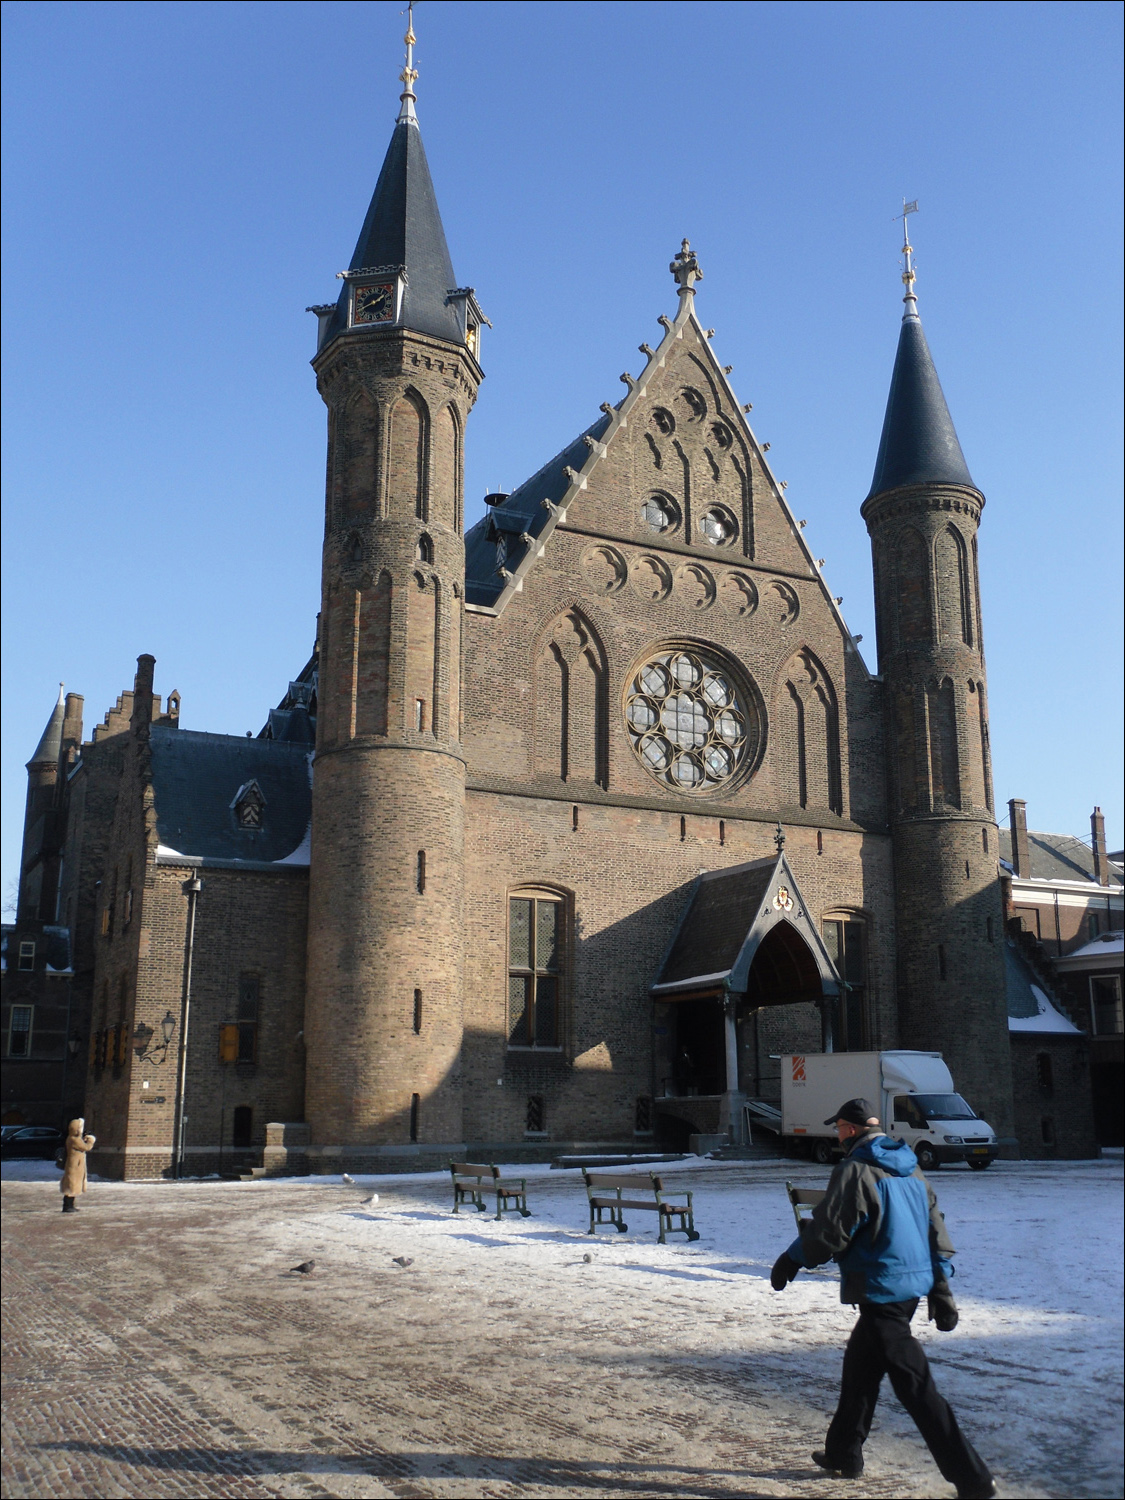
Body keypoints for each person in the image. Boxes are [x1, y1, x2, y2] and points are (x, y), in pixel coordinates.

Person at [770, 1097, 995, 1500]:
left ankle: (973, 1479)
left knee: (917, 1388)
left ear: (852, 1130)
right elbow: (935, 1229)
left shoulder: (855, 1170)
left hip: (882, 1289)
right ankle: (844, 1452)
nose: (835, 1134)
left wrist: (791, 1259)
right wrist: (940, 1288)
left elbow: (831, 1229)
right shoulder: (911, 1166)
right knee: (860, 1368)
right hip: (907, 1288)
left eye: (838, 1127)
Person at [60, 1117, 95, 1214]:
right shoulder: (74, 1139)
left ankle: (70, 1205)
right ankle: (67, 1206)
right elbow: (86, 1147)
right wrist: (91, 1139)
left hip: (75, 1165)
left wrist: (84, 1138)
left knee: (73, 1186)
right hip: (74, 1166)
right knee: (71, 1186)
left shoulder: (73, 1138)